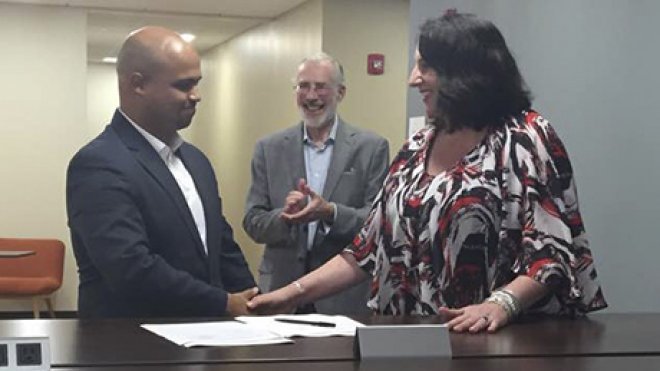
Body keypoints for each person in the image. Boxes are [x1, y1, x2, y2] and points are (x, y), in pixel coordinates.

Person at [247, 12, 607, 332]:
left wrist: (501, 304)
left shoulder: (525, 138)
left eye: (424, 66)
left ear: (464, 72)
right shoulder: (417, 147)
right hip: (410, 341)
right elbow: (368, 248)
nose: (412, 79)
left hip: (496, 344)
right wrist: (288, 296)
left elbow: (552, 252)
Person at [66, 26, 257, 318]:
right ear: (138, 84)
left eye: (197, 83)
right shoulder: (98, 164)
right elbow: (130, 269)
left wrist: (254, 300)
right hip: (132, 349)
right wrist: (223, 303)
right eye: (183, 85)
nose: (196, 96)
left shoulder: (196, 161)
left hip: (208, 340)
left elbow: (221, 246)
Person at [243, 53, 389, 314]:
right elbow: (253, 222)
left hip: (343, 298)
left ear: (340, 92)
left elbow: (378, 223)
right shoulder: (269, 148)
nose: (311, 96)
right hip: (281, 291)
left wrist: (331, 213)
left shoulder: (371, 148)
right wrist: (285, 218)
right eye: (303, 86)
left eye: (320, 87)